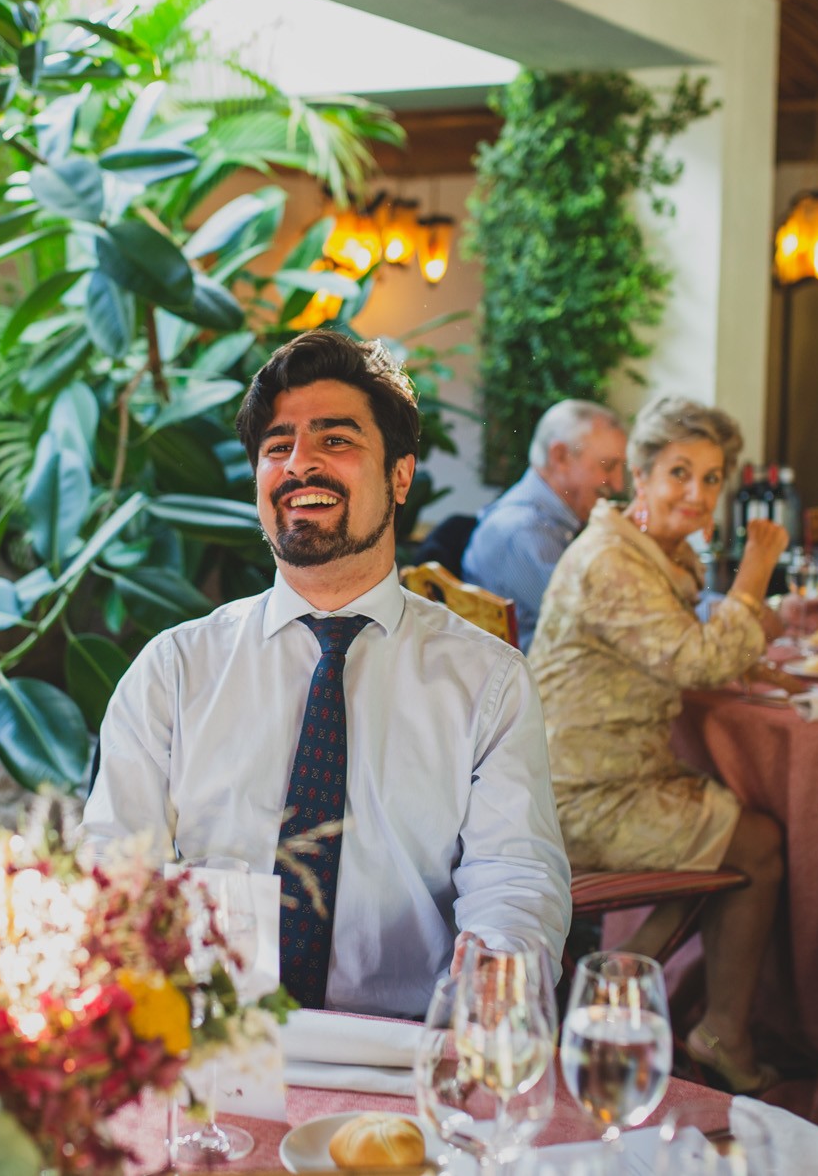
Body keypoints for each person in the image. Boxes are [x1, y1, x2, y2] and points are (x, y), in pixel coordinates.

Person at [83, 330, 571, 1019]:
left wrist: (494, 977)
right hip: (210, 1059)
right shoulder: (176, 669)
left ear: (400, 475)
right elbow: (115, 864)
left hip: (404, 1057)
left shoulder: (485, 682)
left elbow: (514, 874)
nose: (299, 464)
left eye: (335, 441)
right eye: (277, 446)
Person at [529, 396, 788, 1094]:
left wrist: (765, 621)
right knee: (756, 842)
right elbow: (697, 659)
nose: (698, 495)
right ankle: (714, 1028)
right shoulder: (610, 558)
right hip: (578, 799)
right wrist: (757, 573)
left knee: (733, 832)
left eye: (711, 479)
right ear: (638, 476)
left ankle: (611, 1003)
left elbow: (686, 649)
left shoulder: (647, 550)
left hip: (614, 777)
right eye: (679, 472)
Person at [462, 399, 627, 649]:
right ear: (560, 457)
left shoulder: (556, 523)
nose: (618, 485)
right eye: (608, 466)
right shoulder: (525, 531)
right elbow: (600, 625)